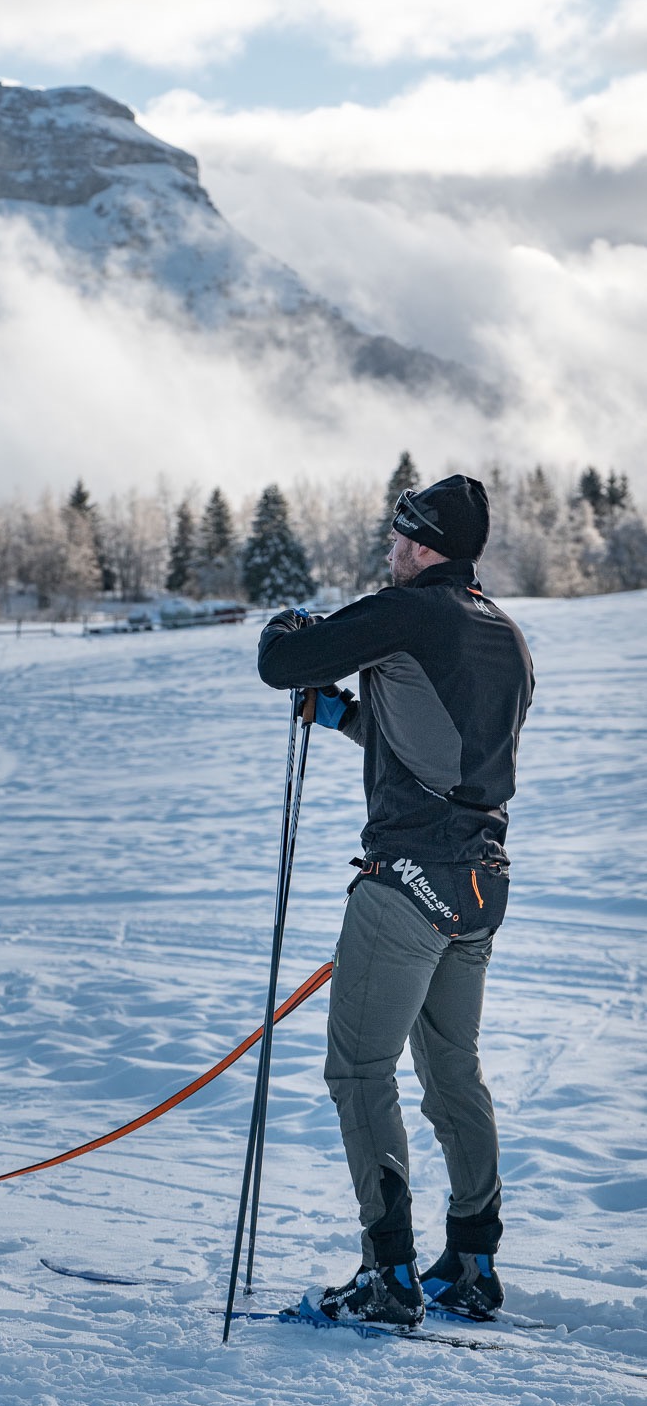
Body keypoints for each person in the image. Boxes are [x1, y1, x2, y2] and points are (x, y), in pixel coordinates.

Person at [257, 474, 534, 1325]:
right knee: (452, 1071)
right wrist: (340, 717)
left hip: (406, 882)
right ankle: (472, 1263)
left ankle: (389, 1276)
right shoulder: (504, 633)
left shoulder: (405, 610)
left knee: (358, 1071)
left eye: (396, 536)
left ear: (420, 543)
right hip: (479, 883)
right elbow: (443, 748)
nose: (388, 549)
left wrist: (286, 628)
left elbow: (281, 662)